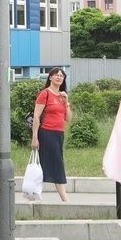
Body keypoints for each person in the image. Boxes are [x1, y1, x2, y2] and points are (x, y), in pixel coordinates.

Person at [30, 67, 72, 202]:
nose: (59, 78)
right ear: (50, 77)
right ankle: (65, 199)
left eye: (62, 76)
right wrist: (35, 138)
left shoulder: (62, 96)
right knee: (55, 164)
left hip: (59, 134)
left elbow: (68, 118)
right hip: (46, 132)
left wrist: (66, 103)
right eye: (56, 75)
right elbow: (36, 117)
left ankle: (32, 197)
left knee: (47, 164)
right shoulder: (45, 94)